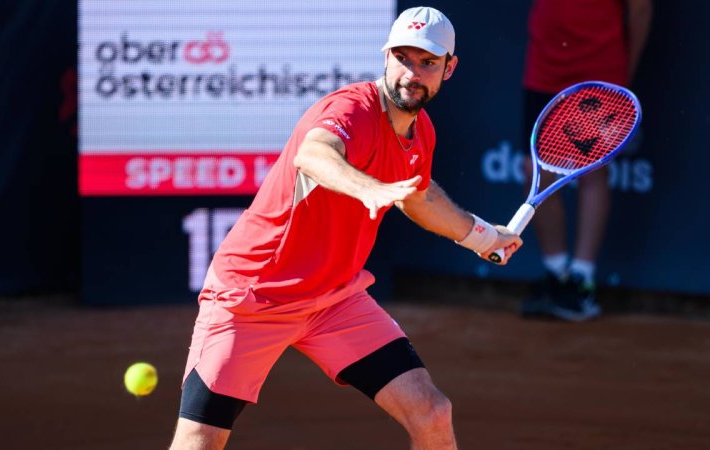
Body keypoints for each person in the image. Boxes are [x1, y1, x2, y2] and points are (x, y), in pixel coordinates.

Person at [169, 7, 522, 450]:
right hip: (253, 296)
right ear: (386, 56)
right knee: (199, 440)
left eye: (428, 62)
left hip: (335, 301)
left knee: (432, 412)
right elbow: (315, 155)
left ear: (448, 69)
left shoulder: (421, 132)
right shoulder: (350, 110)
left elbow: (420, 195)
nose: (412, 73)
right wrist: (367, 189)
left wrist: (485, 237)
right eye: (404, 58)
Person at [519, 0, 652, 322]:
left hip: (599, 68)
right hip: (545, 65)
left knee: (593, 172)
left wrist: (623, 73)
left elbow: (641, 8)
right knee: (533, 169)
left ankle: (583, 281)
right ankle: (556, 274)